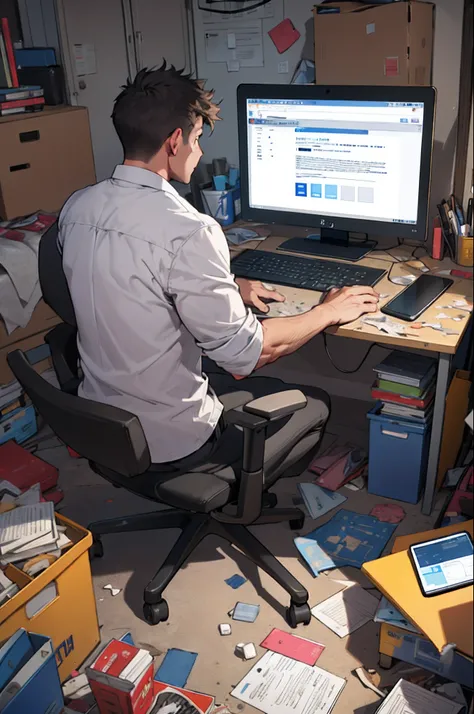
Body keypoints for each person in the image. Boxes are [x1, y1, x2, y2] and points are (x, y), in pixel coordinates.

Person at [58, 63, 379, 479]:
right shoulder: (189, 229)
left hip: (102, 421)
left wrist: (224, 287)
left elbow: (129, 286)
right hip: (174, 440)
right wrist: (328, 312)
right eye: (195, 139)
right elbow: (250, 356)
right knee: (315, 403)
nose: (200, 151)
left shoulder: (77, 208)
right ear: (175, 142)